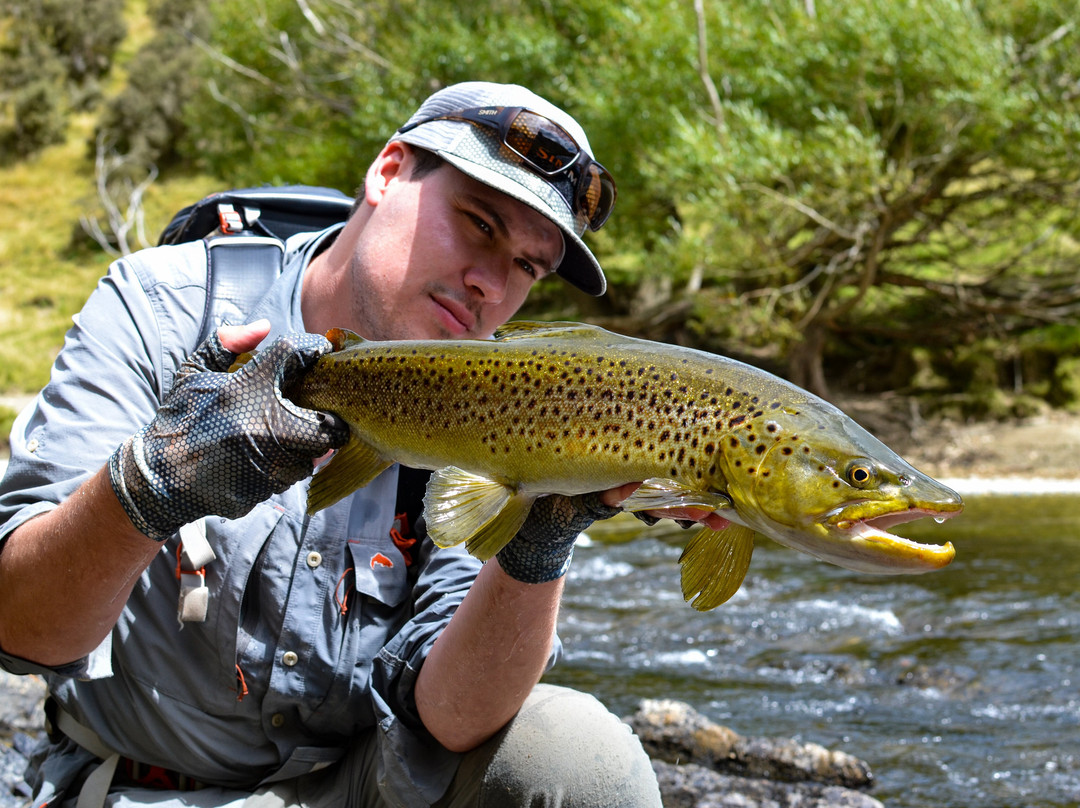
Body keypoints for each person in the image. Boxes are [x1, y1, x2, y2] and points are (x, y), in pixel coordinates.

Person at [0, 81, 720, 808]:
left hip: (358, 789)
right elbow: (20, 627)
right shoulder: (159, 311)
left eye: (527, 269)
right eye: (478, 224)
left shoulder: (511, 400)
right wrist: (157, 482)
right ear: (388, 170)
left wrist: (537, 544)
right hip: (136, 787)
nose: (489, 284)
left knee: (578, 755)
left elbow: (452, 717)